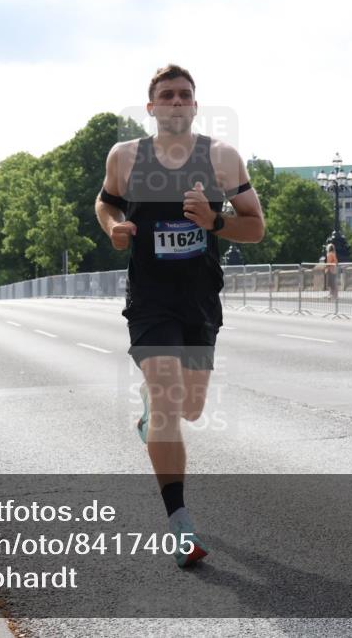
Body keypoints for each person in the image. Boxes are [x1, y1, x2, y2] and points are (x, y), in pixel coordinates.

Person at [94, 64, 264, 567]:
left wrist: (215, 221)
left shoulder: (222, 158)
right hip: (150, 299)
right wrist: (115, 226)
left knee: (189, 409)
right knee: (169, 397)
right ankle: (180, 525)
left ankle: (151, 416)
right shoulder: (125, 158)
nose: (175, 102)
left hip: (198, 300)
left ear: (194, 105)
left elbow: (255, 228)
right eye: (165, 95)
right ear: (151, 108)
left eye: (184, 95)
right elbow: (104, 205)